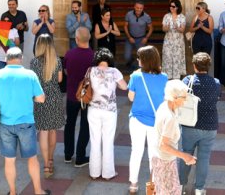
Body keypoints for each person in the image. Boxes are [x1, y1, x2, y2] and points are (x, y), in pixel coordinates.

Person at [0, 47, 51, 195]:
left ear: (6, 59)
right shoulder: (29, 74)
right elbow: (41, 98)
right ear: (21, 59)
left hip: (5, 124)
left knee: (9, 160)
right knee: (32, 159)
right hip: (26, 123)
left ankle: (12, 192)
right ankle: (38, 191)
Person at [127, 46, 168, 194]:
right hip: (156, 121)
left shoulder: (135, 77)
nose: (137, 60)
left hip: (137, 119)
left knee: (136, 151)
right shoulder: (164, 77)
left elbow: (131, 98)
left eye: (139, 58)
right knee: (154, 153)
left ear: (144, 60)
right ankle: (153, 185)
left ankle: (133, 184)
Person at [179, 53, 220, 195]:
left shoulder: (187, 81)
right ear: (208, 66)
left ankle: (181, 186)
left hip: (190, 125)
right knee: (204, 158)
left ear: (194, 66)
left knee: (186, 155)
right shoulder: (216, 82)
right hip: (210, 125)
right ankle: (199, 189)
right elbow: (217, 98)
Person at [87, 48, 128, 180]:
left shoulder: (90, 70)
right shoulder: (114, 72)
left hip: (93, 109)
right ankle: (108, 173)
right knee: (108, 141)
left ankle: (94, 172)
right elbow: (124, 87)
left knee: (94, 140)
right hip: (109, 111)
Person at [153, 80, 197, 194]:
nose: (186, 99)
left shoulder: (164, 106)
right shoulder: (170, 118)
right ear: (174, 97)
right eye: (184, 97)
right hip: (165, 163)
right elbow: (163, 145)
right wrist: (185, 156)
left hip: (160, 159)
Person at [31, 34, 65, 178]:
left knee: (43, 132)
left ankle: (45, 166)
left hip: (40, 98)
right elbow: (59, 79)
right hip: (55, 98)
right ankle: (51, 160)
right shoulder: (57, 60)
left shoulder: (34, 62)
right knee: (53, 131)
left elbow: (32, 81)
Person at [64, 27, 94, 167]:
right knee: (85, 125)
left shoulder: (69, 54)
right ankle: (80, 157)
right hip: (87, 97)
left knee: (69, 124)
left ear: (76, 39)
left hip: (71, 95)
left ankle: (68, 154)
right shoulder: (94, 56)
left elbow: (66, 71)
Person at [162, 0, 187, 79]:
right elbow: (163, 29)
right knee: (167, 57)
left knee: (177, 57)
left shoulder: (182, 17)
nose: (171, 8)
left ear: (177, 7)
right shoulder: (166, 16)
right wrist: (167, 28)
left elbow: (182, 30)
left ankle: (176, 78)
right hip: (168, 40)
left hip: (178, 41)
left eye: (173, 6)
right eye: (170, 6)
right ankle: (168, 77)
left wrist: (176, 26)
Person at [124, 1, 153, 69]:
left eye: (141, 8)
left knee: (141, 57)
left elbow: (151, 28)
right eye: (137, 8)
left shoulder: (147, 16)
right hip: (130, 38)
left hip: (141, 39)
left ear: (143, 8)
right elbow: (125, 26)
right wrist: (129, 37)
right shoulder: (129, 14)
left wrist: (146, 38)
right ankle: (131, 61)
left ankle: (137, 70)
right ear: (134, 7)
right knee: (126, 56)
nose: (139, 9)